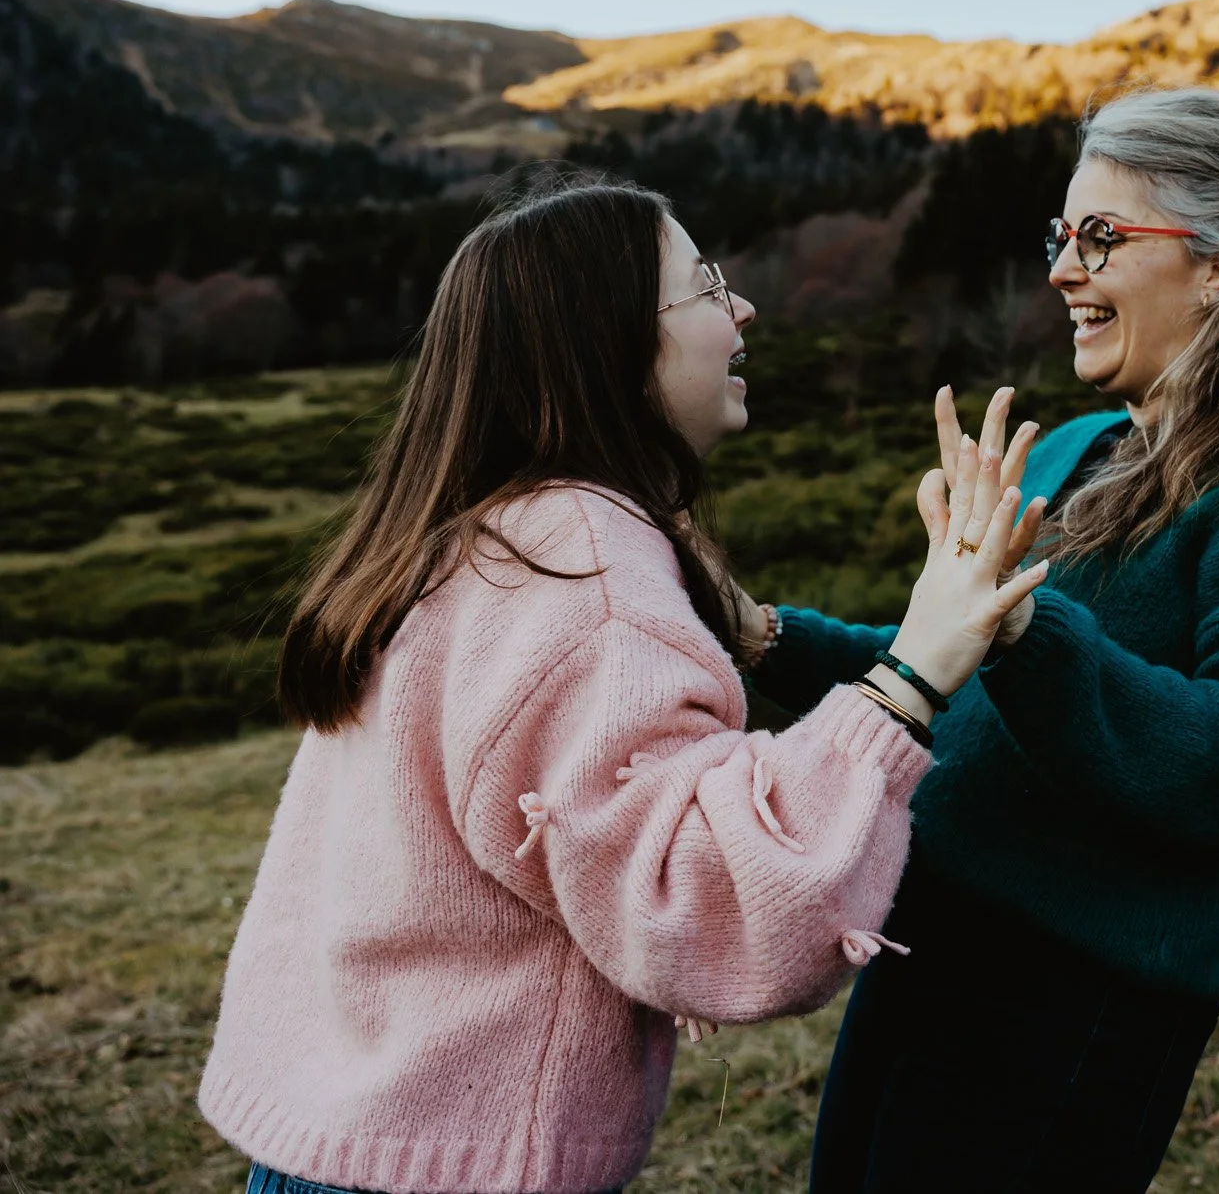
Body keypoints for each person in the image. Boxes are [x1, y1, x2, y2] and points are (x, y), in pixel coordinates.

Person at [199, 175, 1044, 1194]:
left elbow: (565, 849)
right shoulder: (580, 561)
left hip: (341, 1140)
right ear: (608, 341)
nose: (743, 309)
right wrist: (918, 664)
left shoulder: (481, 534)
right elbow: (728, 904)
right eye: (704, 286)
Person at [737, 86, 1219, 1191]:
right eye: (1063, 235)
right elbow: (948, 660)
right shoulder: (1082, 449)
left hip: (1074, 1001)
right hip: (927, 947)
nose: (1061, 270)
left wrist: (1022, 631)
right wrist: (768, 637)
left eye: (1101, 238)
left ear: (1218, 266)